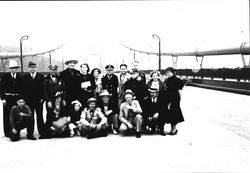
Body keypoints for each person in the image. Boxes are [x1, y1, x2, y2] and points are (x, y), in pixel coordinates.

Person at [22, 61, 46, 139]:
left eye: (34, 67)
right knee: (30, 117)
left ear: (36, 67)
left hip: (39, 101)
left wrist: (43, 98)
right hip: (29, 101)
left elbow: (43, 89)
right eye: (31, 67)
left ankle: (42, 132)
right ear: (29, 68)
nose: (32, 68)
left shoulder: (41, 77)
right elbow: (23, 90)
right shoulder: (25, 77)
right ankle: (30, 134)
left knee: (40, 116)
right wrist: (24, 100)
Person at [0, 59, 22, 137]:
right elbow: (1, 88)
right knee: (7, 115)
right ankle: (7, 132)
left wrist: (20, 99)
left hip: (16, 99)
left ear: (16, 69)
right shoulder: (5, 77)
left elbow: (21, 89)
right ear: (10, 69)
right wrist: (3, 99)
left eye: (15, 68)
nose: (13, 70)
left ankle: (15, 131)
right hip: (7, 98)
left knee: (15, 115)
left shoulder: (19, 77)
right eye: (12, 68)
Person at [161, 67, 184, 135]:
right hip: (167, 99)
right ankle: (172, 129)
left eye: (169, 72)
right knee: (170, 115)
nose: (167, 73)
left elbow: (180, 91)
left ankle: (174, 130)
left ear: (173, 72)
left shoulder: (177, 80)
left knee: (174, 115)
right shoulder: (166, 80)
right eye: (167, 72)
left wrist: (178, 100)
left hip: (174, 100)